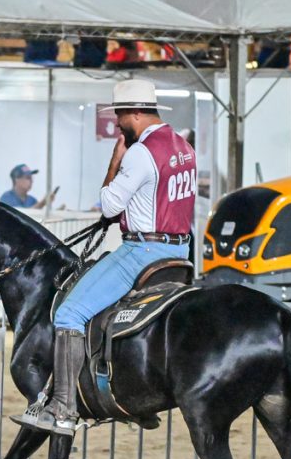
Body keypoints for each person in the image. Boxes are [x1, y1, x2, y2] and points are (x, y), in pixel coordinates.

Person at [14, 80, 196, 436]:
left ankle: (63, 408)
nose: (117, 123)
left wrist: (115, 161)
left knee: (69, 313)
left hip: (143, 251)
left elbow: (110, 207)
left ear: (136, 113)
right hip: (179, 251)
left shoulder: (141, 153)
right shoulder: (183, 146)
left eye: (120, 115)